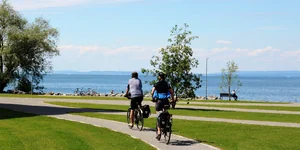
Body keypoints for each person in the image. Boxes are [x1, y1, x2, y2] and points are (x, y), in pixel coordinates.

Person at [151, 72, 175, 140]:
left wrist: (153, 98)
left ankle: (159, 133)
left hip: (159, 101)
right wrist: (172, 100)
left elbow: (152, 92)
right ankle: (167, 124)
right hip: (166, 101)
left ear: (159, 77)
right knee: (165, 112)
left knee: (158, 115)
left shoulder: (157, 83)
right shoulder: (167, 84)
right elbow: (171, 92)